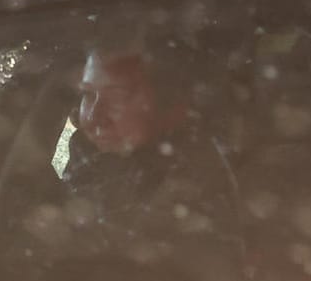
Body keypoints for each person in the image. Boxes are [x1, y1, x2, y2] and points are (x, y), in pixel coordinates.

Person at [60, 38, 239, 263]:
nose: (94, 118)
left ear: (174, 107)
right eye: (87, 94)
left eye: (117, 97)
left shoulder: (194, 178)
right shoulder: (83, 151)